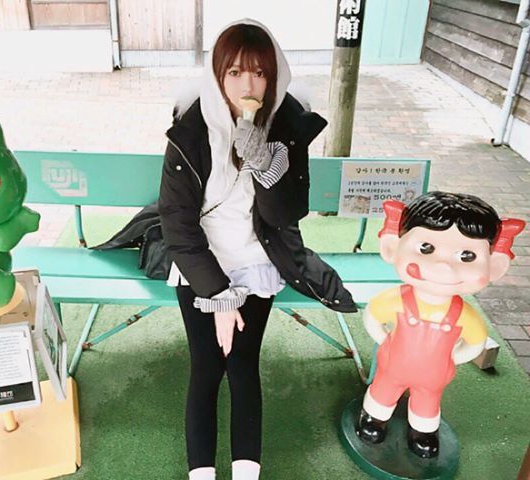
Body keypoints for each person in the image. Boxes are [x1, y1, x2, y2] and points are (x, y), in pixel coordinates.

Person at [158, 19, 356, 480]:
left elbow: (287, 213)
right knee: (206, 367)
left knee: (243, 365)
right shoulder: (191, 128)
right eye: (234, 72)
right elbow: (178, 223)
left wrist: (266, 163)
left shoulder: (286, 126)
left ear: (274, 76)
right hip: (199, 262)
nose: (248, 86)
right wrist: (219, 296)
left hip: (259, 259)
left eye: (259, 73)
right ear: (217, 75)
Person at [356, 192, 524, 458]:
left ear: (494, 265)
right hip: (393, 364)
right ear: (393, 247)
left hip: (434, 375)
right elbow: (373, 317)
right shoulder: (396, 300)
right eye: (426, 248)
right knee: (383, 390)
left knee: (427, 401)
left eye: (467, 256)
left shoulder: (463, 314)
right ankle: (374, 418)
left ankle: (423, 431)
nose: (443, 266)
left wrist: (452, 358)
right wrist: (385, 340)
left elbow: (476, 343)